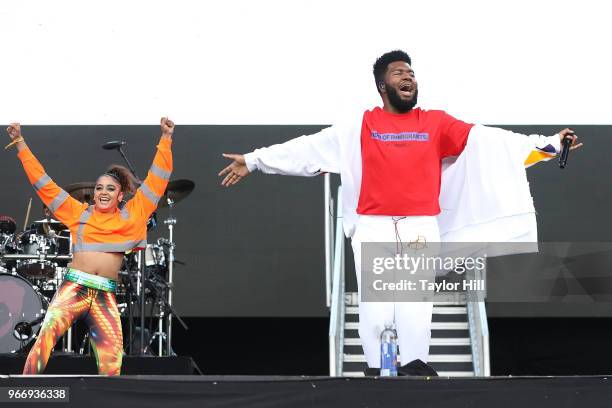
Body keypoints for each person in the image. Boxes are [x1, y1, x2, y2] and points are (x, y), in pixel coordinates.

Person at [218, 50, 582, 370]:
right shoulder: (359, 126)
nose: (408, 77)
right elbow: (307, 149)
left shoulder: (436, 122)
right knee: (376, 307)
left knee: (414, 302)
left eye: (411, 73)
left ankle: (414, 366)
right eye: (398, 73)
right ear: (382, 86)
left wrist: (548, 144)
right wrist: (253, 161)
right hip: (373, 225)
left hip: (419, 226)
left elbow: (491, 143)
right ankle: (376, 370)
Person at [6, 117, 174, 375]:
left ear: (120, 195)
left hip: (105, 294)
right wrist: (20, 143)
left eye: (110, 188)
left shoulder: (132, 215)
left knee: (112, 359)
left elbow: (157, 180)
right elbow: (43, 183)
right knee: (45, 339)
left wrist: (165, 139)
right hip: (74, 287)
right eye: (98, 188)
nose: (103, 192)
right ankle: (23, 394)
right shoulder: (79, 213)